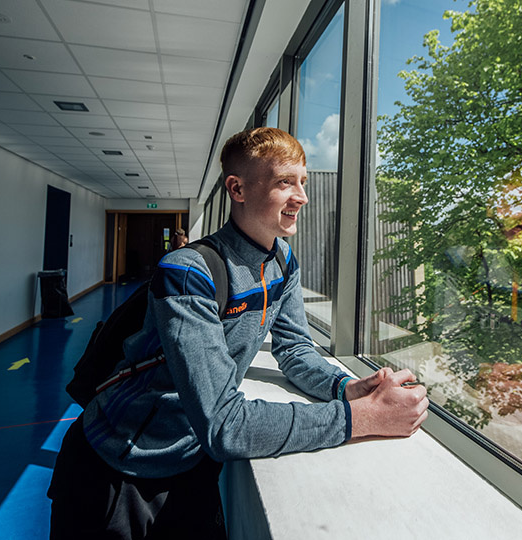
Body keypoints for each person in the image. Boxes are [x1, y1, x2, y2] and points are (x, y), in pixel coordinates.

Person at [47, 127, 429, 539]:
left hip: (193, 462)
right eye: (285, 182)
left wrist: (347, 387)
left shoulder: (283, 261)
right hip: (118, 469)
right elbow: (224, 424)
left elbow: (296, 350)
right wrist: (361, 417)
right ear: (238, 188)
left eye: (303, 181)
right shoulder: (188, 270)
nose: (301, 196)